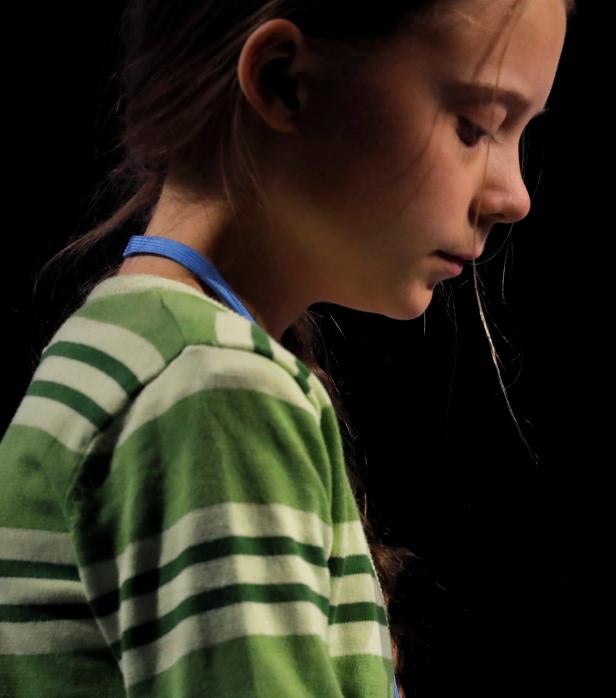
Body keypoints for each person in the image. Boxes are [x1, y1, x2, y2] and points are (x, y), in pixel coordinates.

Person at [0, 1, 574, 696]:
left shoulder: (122, 349)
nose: (515, 196)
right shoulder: (214, 388)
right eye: (475, 126)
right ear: (283, 82)